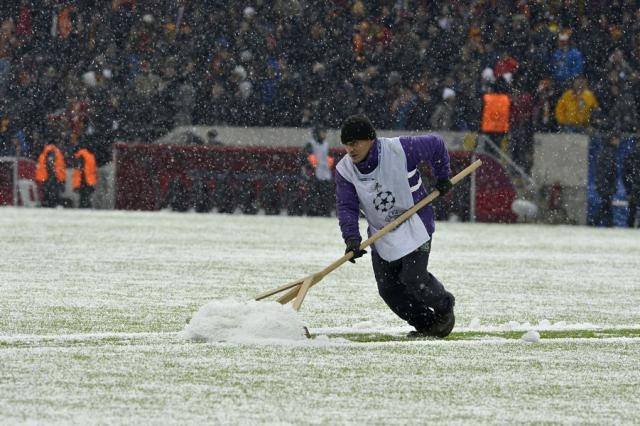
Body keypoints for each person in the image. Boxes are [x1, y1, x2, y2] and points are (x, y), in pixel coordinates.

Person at [335, 114, 455, 338]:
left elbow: (437, 144)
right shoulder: (345, 171)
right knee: (389, 290)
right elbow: (346, 207)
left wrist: (442, 176)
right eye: (346, 145)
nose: (350, 149)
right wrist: (352, 239)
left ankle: (444, 307)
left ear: (370, 139)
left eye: (355, 143)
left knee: (414, 279)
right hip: (381, 233)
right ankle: (428, 325)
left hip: (414, 222)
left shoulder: (400, 148)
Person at [300, 125, 335, 216]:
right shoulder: (311, 144)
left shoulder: (326, 144)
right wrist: (311, 168)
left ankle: (325, 211)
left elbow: (330, 158)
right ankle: (312, 212)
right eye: (322, 132)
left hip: (325, 173)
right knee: (314, 195)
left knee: (325, 195)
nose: (324, 134)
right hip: (314, 173)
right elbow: (306, 158)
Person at [594, 133, 620, 227]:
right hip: (606, 184)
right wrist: (611, 185)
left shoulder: (605, 151)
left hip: (603, 184)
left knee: (606, 205)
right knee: (606, 205)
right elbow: (609, 171)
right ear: (612, 139)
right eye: (617, 139)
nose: (618, 142)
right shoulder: (609, 152)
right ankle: (596, 223)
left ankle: (607, 224)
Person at [35, 142, 66, 207]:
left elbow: (46, 166)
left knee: (47, 193)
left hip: (47, 177)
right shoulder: (57, 153)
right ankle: (52, 204)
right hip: (54, 177)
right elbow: (58, 166)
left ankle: (47, 204)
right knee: (53, 194)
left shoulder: (45, 153)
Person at [72, 144, 98, 208]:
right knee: (86, 198)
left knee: (83, 199)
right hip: (89, 180)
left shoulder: (81, 155)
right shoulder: (90, 155)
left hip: (84, 181)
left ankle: (84, 208)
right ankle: (87, 208)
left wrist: (78, 183)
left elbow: (80, 170)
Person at [623, 141, 640, 228]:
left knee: (632, 211)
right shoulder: (632, 155)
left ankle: (630, 227)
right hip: (635, 186)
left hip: (634, 186)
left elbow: (626, 173)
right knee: (632, 209)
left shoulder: (631, 154)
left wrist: (629, 187)